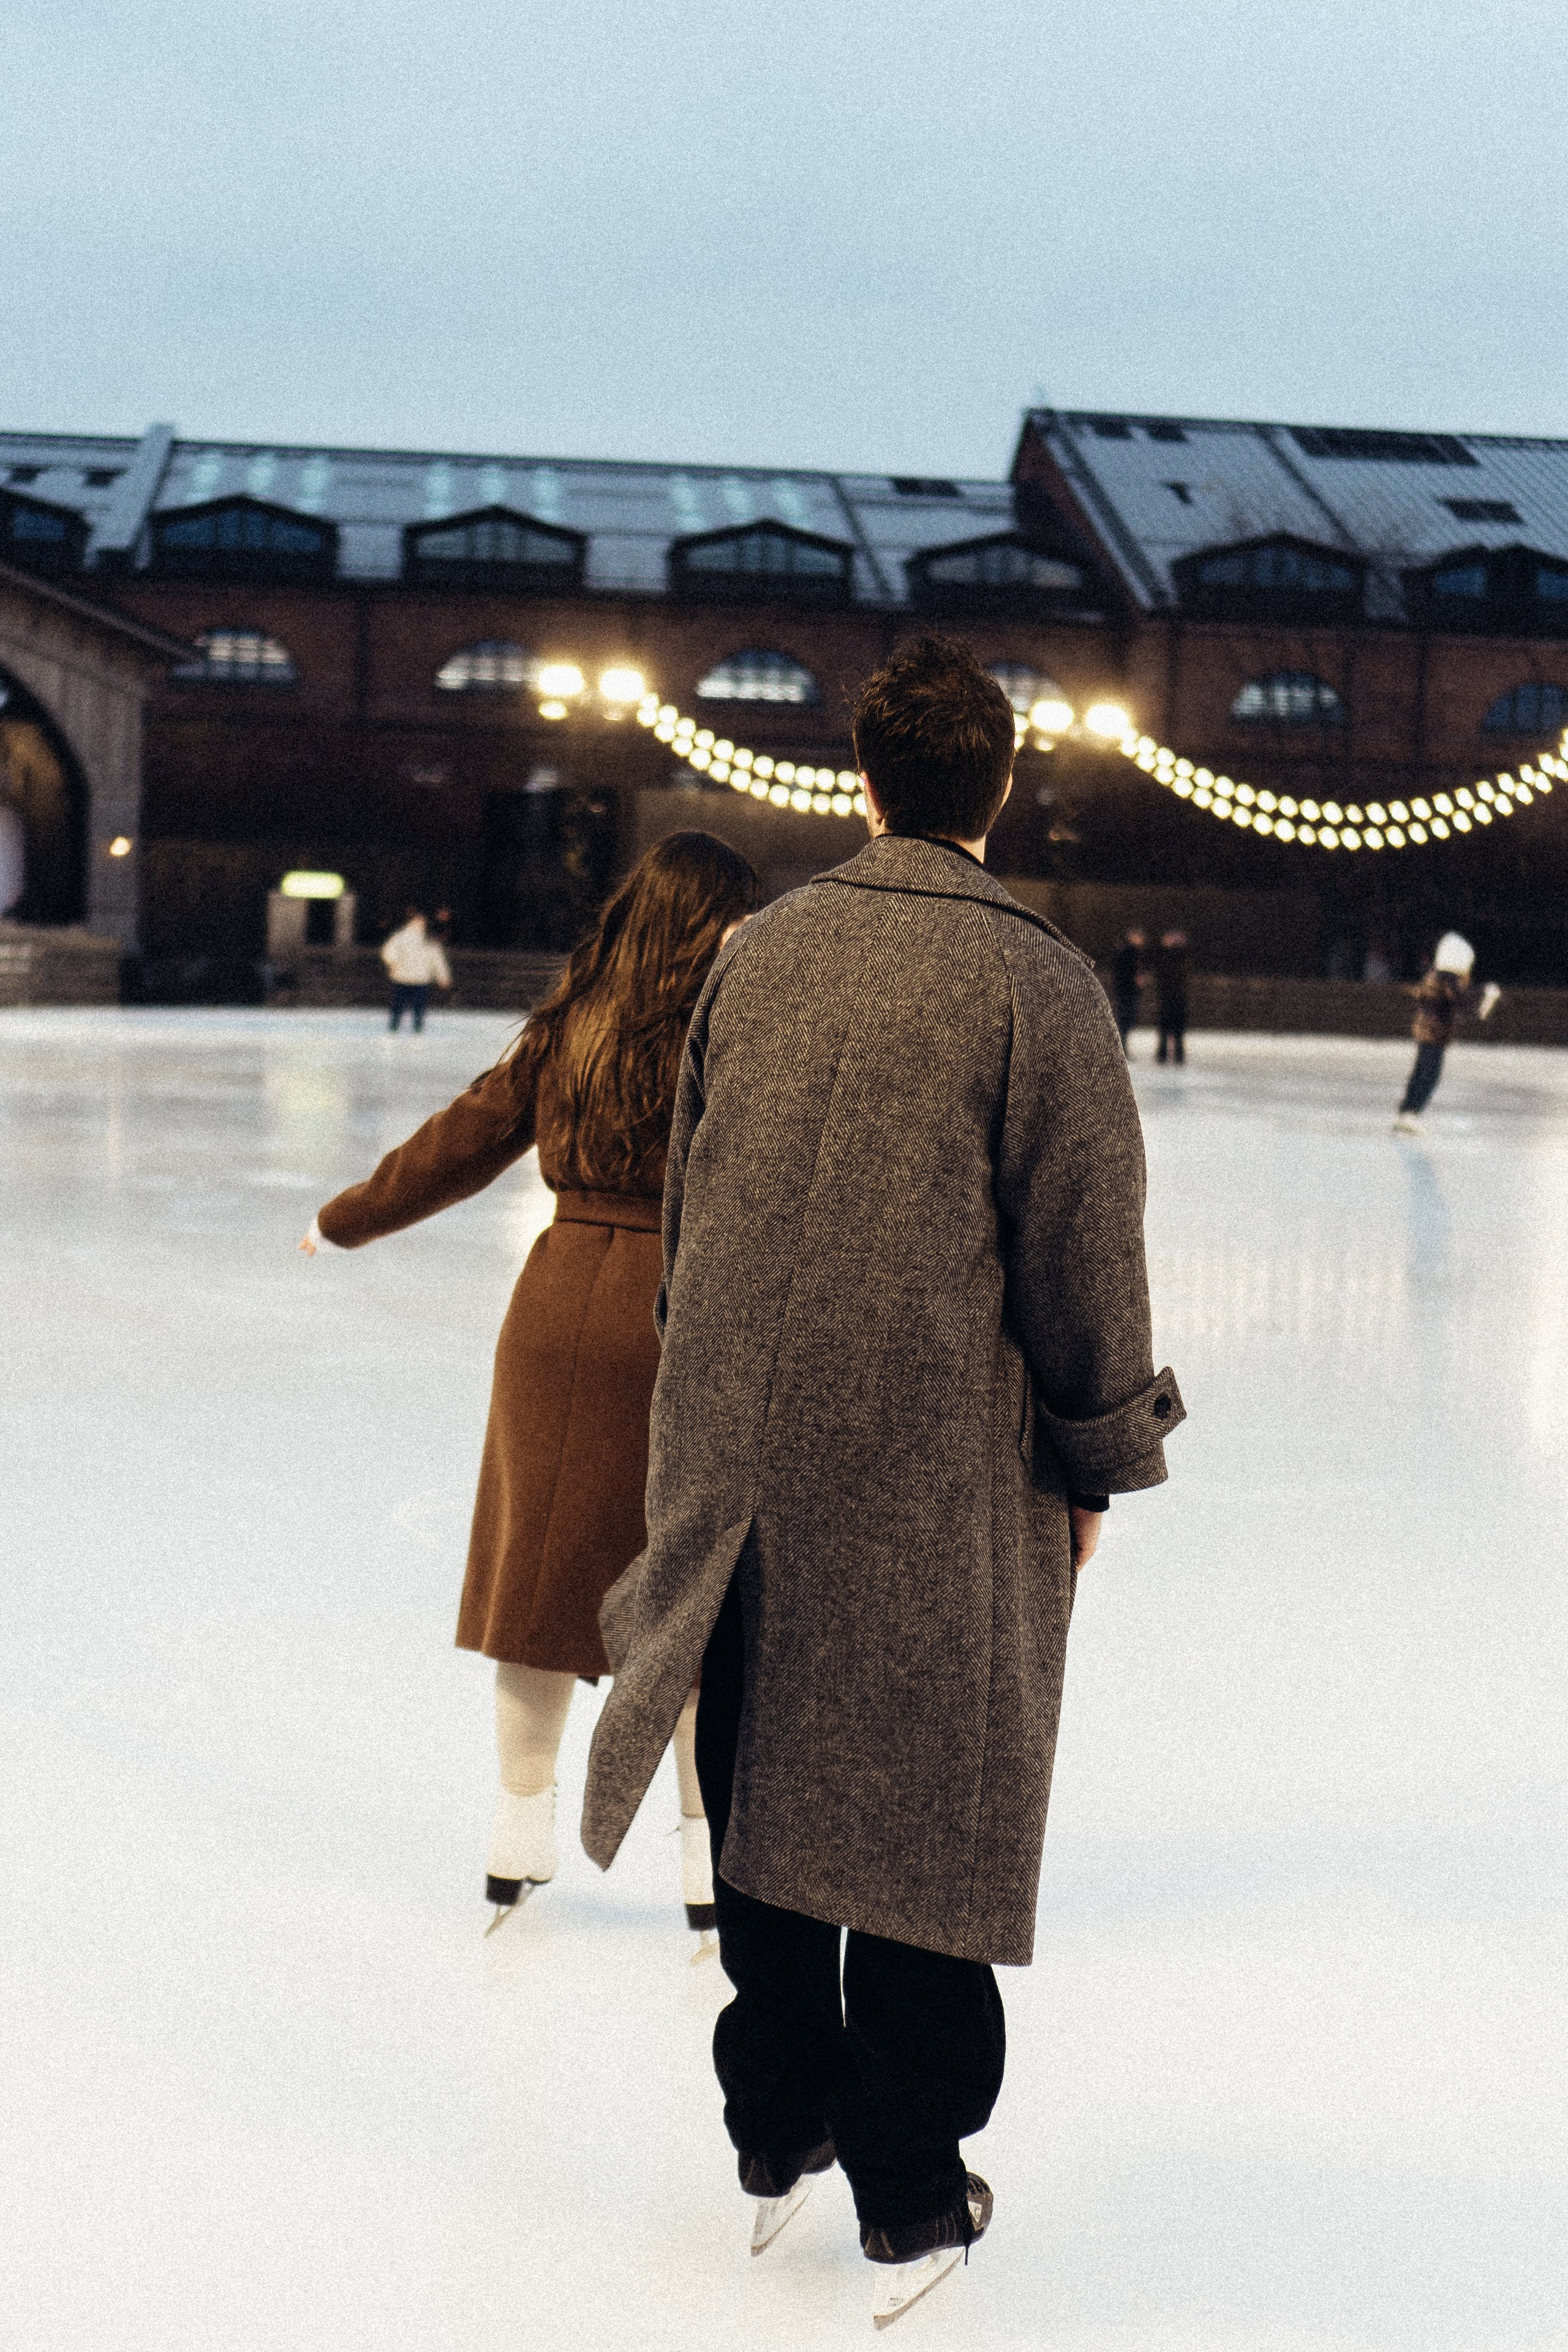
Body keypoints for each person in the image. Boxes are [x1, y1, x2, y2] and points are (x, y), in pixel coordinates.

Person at [581, 637, 1184, 2328]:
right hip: (933, 1464)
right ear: (1001, 787)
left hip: (749, 1455)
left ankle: (776, 2126)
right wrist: (1096, 1460)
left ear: (861, 780)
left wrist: (701, 1430)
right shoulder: (1036, 983)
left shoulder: (759, 956)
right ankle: (910, 2189)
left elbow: (692, 1224)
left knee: (764, 1783)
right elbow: (1084, 1259)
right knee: (927, 1812)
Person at [303, 834, 760, 1929]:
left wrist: (346, 1218)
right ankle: (710, 1864)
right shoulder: (743, 1027)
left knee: (539, 1589)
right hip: (687, 1318)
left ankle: (518, 1833)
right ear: (714, 921)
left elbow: (459, 1143)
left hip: (558, 1315)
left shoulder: (571, 1027)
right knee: (696, 1605)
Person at [1393, 930, 1499, 1132]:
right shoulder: (1448, 978)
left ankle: (1406, 1111)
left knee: (1422, 1071)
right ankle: (1411, 1113)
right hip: (1434, 1032)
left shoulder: (1436, 974)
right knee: (1429, 1074)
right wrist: (1484, 991)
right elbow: (1460, 998)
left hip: (1429, 1030)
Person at [380, 906, 451, 1031]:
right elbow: (389, 951)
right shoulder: (401, 937)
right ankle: (397, 1027)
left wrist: (443, 977)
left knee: (413, 1007)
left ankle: (411, 1028)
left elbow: (437, 960)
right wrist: (392, 963)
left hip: (417, 979)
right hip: (405, 978)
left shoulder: (428, 940)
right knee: (402, 1006)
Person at [1153, 929, 1188, 1064]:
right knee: (1172, 1028)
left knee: (1170, 1028)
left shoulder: (1172, 958)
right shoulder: (1174, 958)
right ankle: (1172, 1054)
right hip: (1173, 997)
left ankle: (1167, 1054)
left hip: (1171, 997)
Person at [1110, 926, 1147, 1052]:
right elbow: (1125, 973)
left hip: (1126, 990)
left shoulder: (1130, 952)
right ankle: (1121, 1047)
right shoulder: (1129, 953)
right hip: (1127, 990)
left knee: (1126, 1019)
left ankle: (1122, 1046)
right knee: (1125, 1019)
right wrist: (1135, 979)